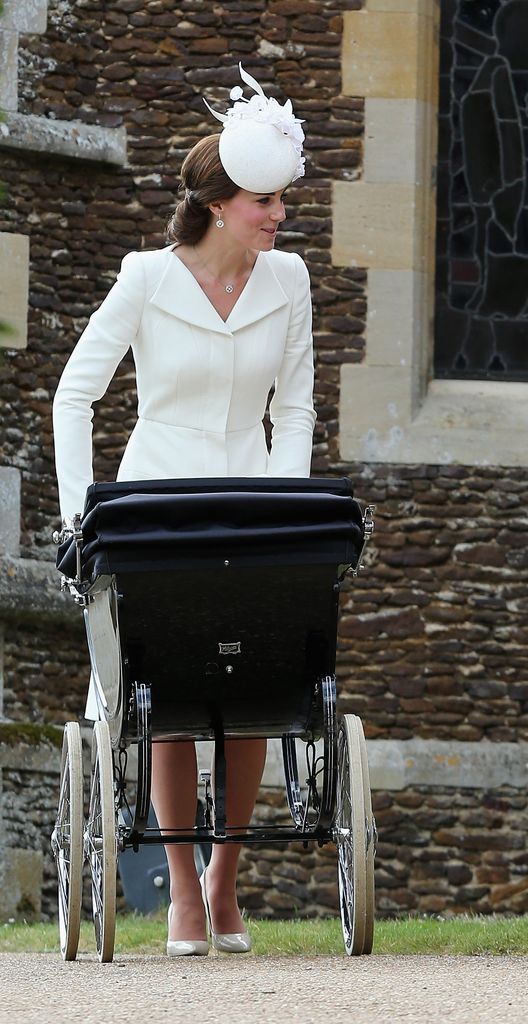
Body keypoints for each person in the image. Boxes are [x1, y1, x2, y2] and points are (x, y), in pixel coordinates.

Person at [52, 65, 316, 956]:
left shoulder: (291, 281)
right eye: (264, 202)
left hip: (254, 497)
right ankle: (180, 892)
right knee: (165, 686)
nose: (279, 215)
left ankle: (224, 882)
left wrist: (286, 507)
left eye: (279, 200)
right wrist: (80, 516)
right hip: (155, 500)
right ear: (216, 204)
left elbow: (298, 408)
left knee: (251, 684)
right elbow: (74, 396)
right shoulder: (145, 278)